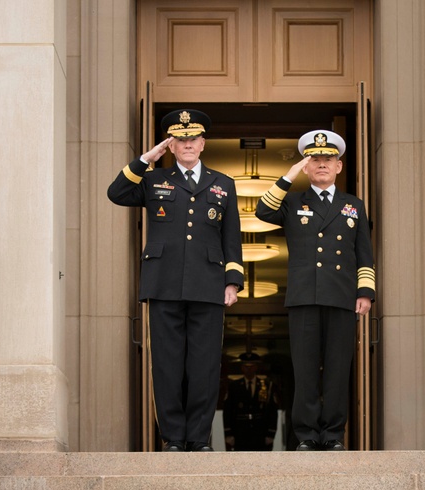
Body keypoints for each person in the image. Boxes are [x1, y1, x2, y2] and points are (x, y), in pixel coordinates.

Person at [107, 109, 244, 451]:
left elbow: (232, 238)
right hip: (164, 282)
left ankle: (198, 438)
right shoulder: (153, 180)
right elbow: (117, 193)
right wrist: (146, 159)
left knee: (205, 365)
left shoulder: (223, 183)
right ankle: (173, 438)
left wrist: (232, 281)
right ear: (171, 145)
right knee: (167, 365)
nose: (187, 144)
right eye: (179, 139)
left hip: (209, 284)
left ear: (202, 143)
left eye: (192, 139)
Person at [256, 130, 376, 450]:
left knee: (337, 369)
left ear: (339, 166)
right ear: (307, 167)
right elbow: (262, 212)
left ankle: (333, 434)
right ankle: (307, 434)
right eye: (315, 160)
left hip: (341, 296)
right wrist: (288, 176)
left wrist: (364, 292)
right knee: (306, 369)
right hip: (304, 297)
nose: (322, 164)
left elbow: (364, 252)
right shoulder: (294, 201)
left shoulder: (353, 205)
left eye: (328, 159)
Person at [223, 352, 277, 451]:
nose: (249, 369)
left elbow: (272, 411)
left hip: (260, 432)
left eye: (252, 366)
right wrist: (228, 433)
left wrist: (271, 433)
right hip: (240, 433)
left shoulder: (265, 385)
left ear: (256, 367)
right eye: (246, 366)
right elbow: (227, 411)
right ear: (242, 367)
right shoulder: (234, 386)